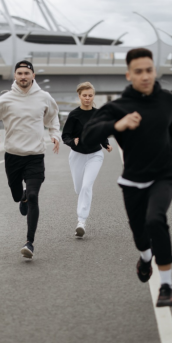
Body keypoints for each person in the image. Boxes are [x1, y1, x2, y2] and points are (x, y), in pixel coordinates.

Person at [82, 48, 172, 307]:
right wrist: (116, 126)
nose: (145, 76)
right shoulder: (117, 107)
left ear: (155, 71)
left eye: (149, 70)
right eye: (139, 72)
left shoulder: (168, 100)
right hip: (132, 179)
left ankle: (166, 285)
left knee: (156, 219)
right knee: (140, 235)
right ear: (129, 75)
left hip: (164, 175)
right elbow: (89, 134)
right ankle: (145, 259)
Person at [0, 60, 61, 259]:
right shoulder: (6, 99)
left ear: (33, 76)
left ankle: (29, 242)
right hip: (13, 156)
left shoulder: (44, 97)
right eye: (19, 73)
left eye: (27, 73)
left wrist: (55, 135)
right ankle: (21, 197)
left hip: (35, 156)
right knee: (18, 196)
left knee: (34, 196)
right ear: (15, 76)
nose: (23, 76)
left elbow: (53, 117)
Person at [62, 82, 113, 239]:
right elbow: (65, 136)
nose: (87, 98)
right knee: (79, 188)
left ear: (93, 96)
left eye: (90, 95)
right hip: (77, 156)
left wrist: (106, 144)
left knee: (86, 186)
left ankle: (81, 222)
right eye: (84, 95)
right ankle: (82, 207)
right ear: (79, 96)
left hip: (95, 155)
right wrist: (72, 142)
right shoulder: (74, 115)